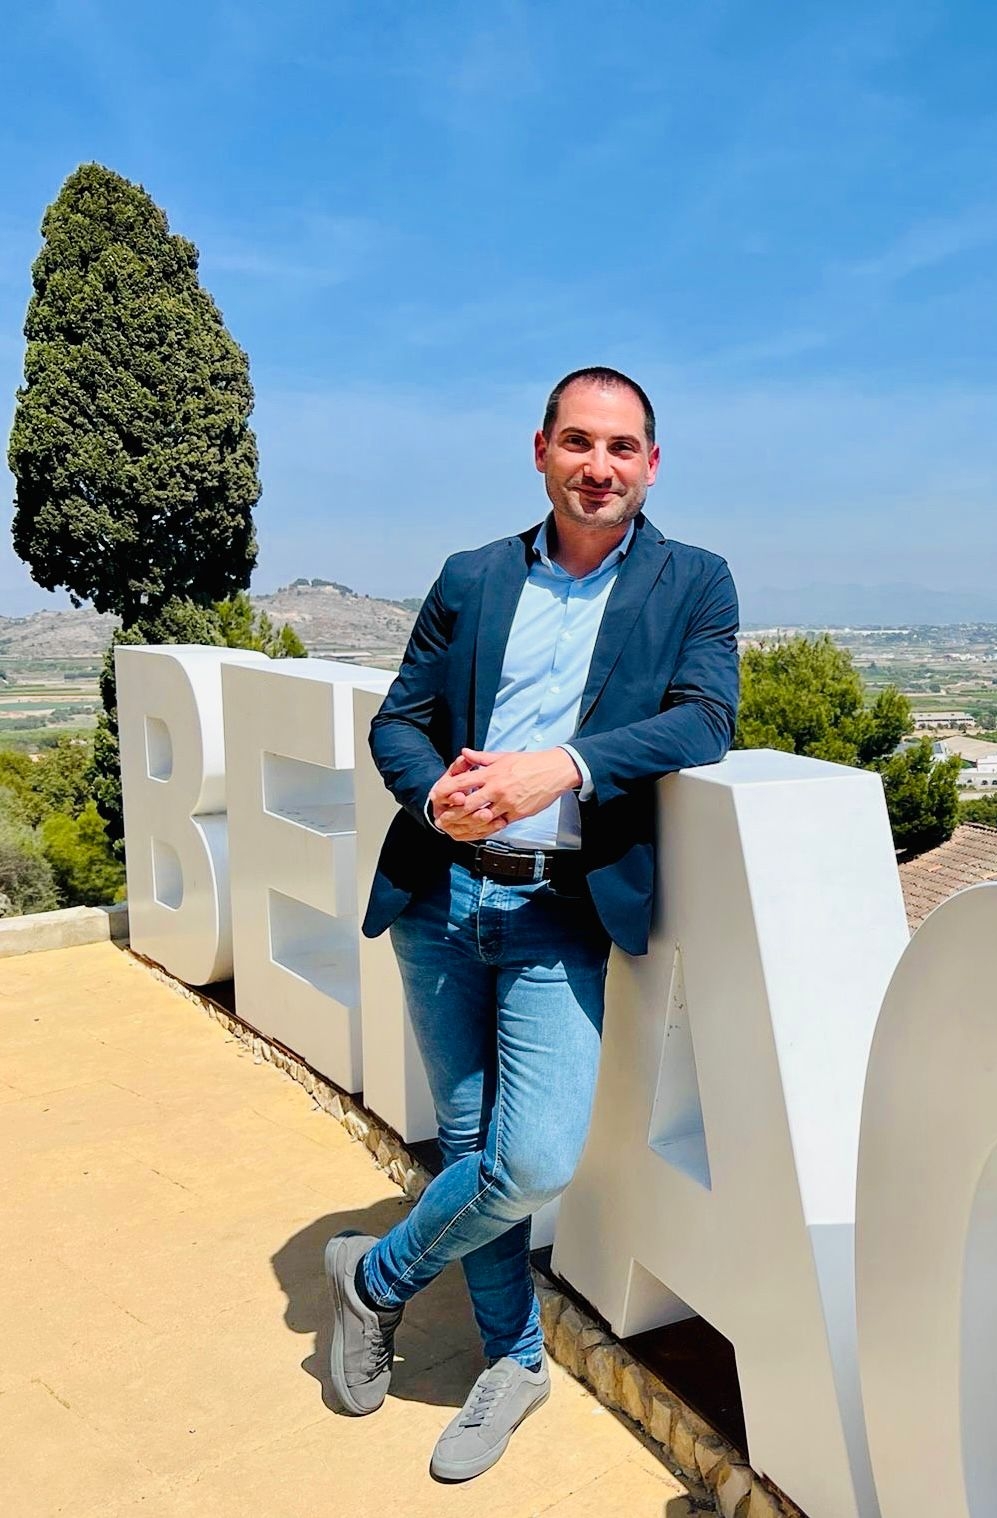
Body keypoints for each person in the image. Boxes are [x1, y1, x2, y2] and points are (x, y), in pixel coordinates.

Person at [323, 366, 739, 1481]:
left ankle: (373, 1280)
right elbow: (402, 720)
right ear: (541, 450)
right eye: (578, 443)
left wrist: (561, 766)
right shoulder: (471, 576)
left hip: (562, 903)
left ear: (650, 464)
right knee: (470, 1149)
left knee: (532, 1158)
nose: (598, 468)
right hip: (438, 895)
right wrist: (431, 798)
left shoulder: (694, 581)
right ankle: (512, 1360)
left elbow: (705, 719)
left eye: (621, 448)